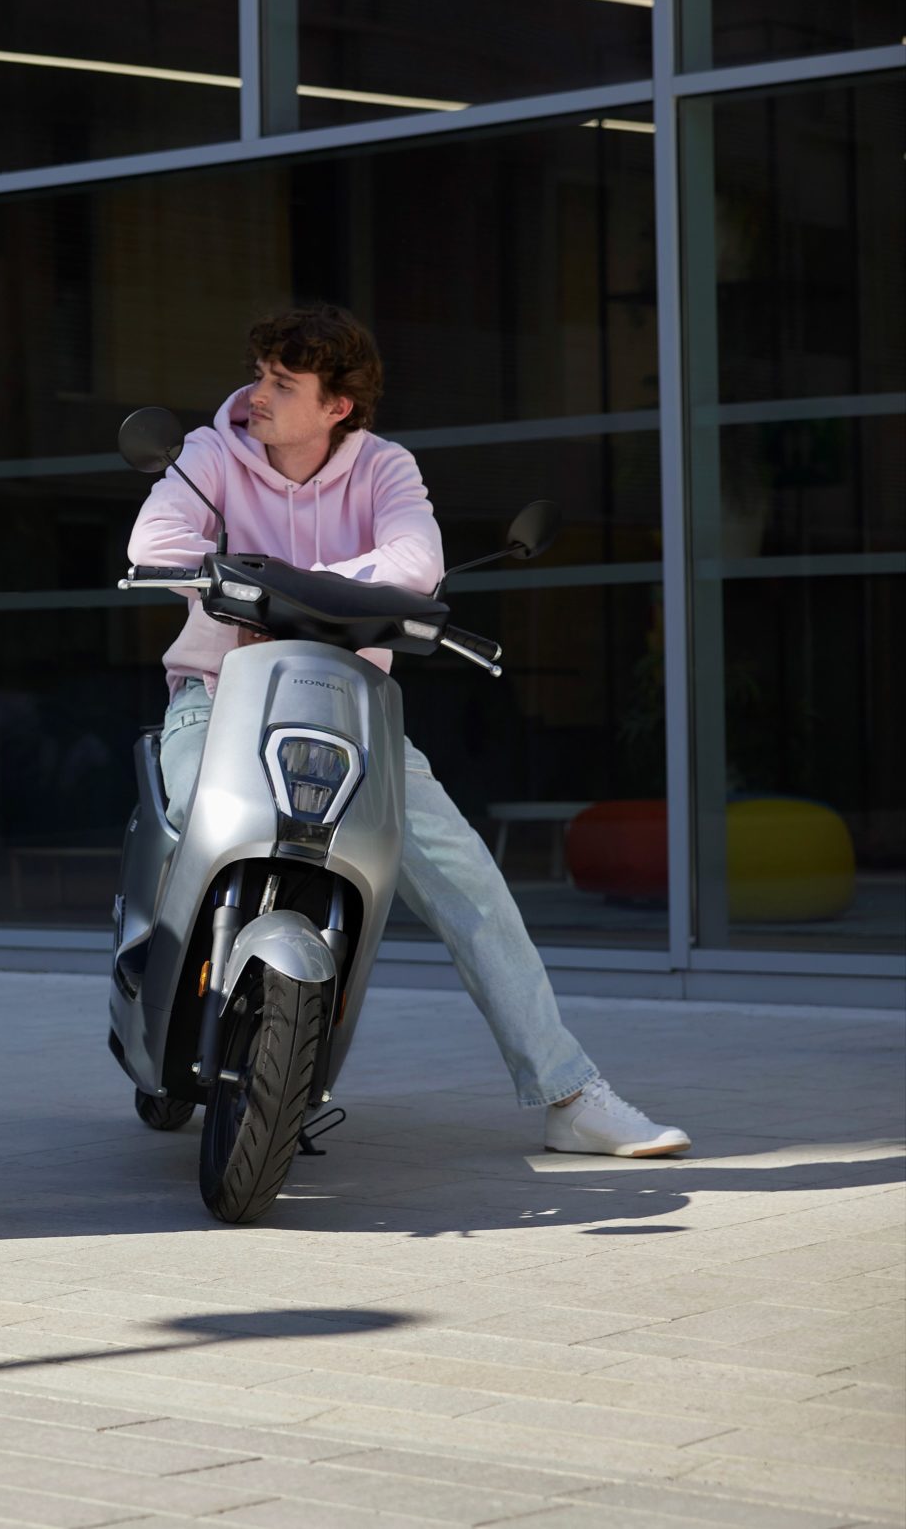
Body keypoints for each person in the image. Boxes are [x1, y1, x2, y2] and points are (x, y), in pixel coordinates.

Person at [125, 304, 690, 1159]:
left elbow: (415, 562)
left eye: (284, 384)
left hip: (346, 712)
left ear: (337, 406)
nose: (258, 395)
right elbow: (158, 540)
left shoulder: (385, 468)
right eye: (261, 374)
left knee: (470, 880)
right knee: (188, 819)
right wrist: (332, 593)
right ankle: (151, 979)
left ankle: (570, 1093)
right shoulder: (211, 454)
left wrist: (275, 587)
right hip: (219, 693)